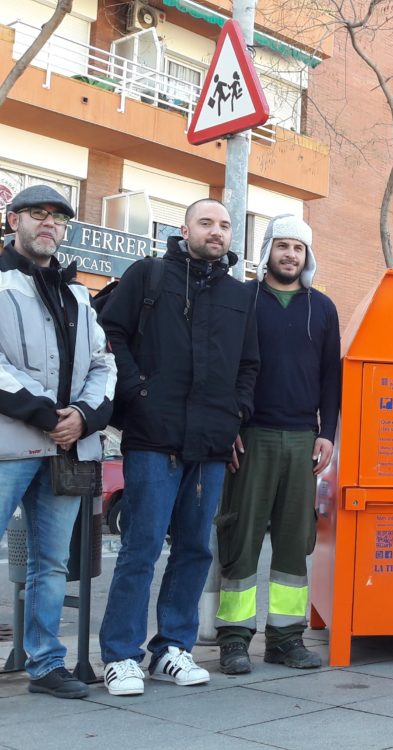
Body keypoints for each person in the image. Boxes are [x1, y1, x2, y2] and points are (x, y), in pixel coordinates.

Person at [97, 198, 259, 696]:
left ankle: (172, 648)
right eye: (206, 222)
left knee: (193, 550)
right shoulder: (149, 275)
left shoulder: (238, 295)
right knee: (141, 549)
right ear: (184, 228)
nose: (217, 231)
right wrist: (137, 393)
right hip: (153, 438)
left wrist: (235, 414)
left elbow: (249, 366)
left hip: (209, 445)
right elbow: (111, 336)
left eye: (225, 225)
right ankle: (121, 656)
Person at [0, 185, 116, 698]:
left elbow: (103, 363)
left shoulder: (77, 294)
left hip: (66, 447)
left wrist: (85, 416)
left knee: (53, 563)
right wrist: (48, 414)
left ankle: (46, 665)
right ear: (14, 221)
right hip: (8, 442)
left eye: (59, 218)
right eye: (39, 214)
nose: (50, 224)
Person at [215, 215, 340, 674]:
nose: (290, 255)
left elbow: (332, 376)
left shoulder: (322, 308)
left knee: (294, 543)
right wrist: (228, 426)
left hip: (304, 438)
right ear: (267, 249)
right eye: (282, 245)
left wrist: (327, 433)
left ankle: (286, 640)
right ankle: (233, 640)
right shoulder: (241, 300)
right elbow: (224, 367)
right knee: (241, 537)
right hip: (251, 437)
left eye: (299, 248)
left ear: (307, 256)